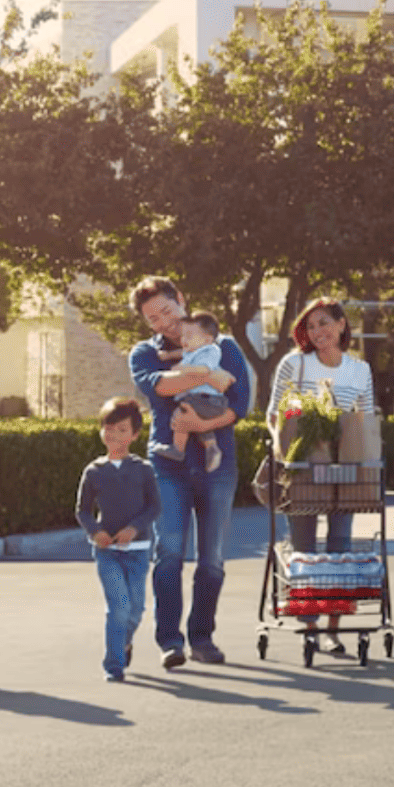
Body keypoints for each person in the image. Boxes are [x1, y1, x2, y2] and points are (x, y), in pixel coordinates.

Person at [128, 276, 252, 670]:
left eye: (167, 311)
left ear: (181, 300)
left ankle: (203, 637)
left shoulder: (226, 345)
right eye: (152, 318)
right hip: (168, 466)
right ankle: (170, 641)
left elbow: (241, 401)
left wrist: (201, 425)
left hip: (218, 466)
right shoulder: (144, 352)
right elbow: (159, 386)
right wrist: (209, 375)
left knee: (212, 558)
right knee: (168, 553)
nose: (162, 322)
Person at [266, 296, 375, 656]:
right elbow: (274, 415)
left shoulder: (359, 370)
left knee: (340, 548)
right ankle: (309, 625)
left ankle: (332, 629)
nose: (317, 332)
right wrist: (290, 441)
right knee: (305, 548)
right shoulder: (294, 364)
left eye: (324, 323)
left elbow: (367, 419)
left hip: (346, 468)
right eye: (310, 326)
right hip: (303, 466)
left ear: (342, 325)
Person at [77, 396, 161, 683]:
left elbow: (154, 507)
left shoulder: (143, 469)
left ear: (135, 435)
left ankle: (124, 643)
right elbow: (82, 510)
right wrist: (95, 531)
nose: (114, 435)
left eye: (122, 430)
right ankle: (113, 665)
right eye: (109, 428)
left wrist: (134, 529)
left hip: (137, 551)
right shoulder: (93, 471)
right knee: (118, 607)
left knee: (135, 608)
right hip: (107, 552)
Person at [146, 312, 229, 474]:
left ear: (207, 339)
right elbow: (181, 353)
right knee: (195, 421)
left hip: (210, 400)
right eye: (183, 335)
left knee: (181, 415)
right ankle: (211, 448)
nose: (184, 340)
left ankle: (178, 449)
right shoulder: (192, 351)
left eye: (189, 335)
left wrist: (182, 368)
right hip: (202, 400)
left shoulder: (211, 351)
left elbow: (204, 370)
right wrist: (168, 355)